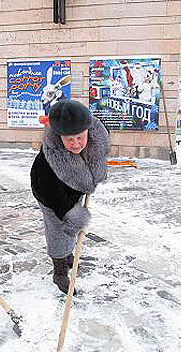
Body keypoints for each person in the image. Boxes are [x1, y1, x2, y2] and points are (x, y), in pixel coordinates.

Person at [30, 100, 109, 295]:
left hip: (75, 187)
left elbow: (96, 157)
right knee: (58, 230)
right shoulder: (48, 163)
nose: (76, 144)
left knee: (70, 230)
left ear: (88, 131)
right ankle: (59, 272)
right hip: (50, 195)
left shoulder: (94, 137)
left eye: (79, 138)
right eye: (69, 140)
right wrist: (74, 216)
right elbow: (53, 197)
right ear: (59, 137)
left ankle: (68, 254)